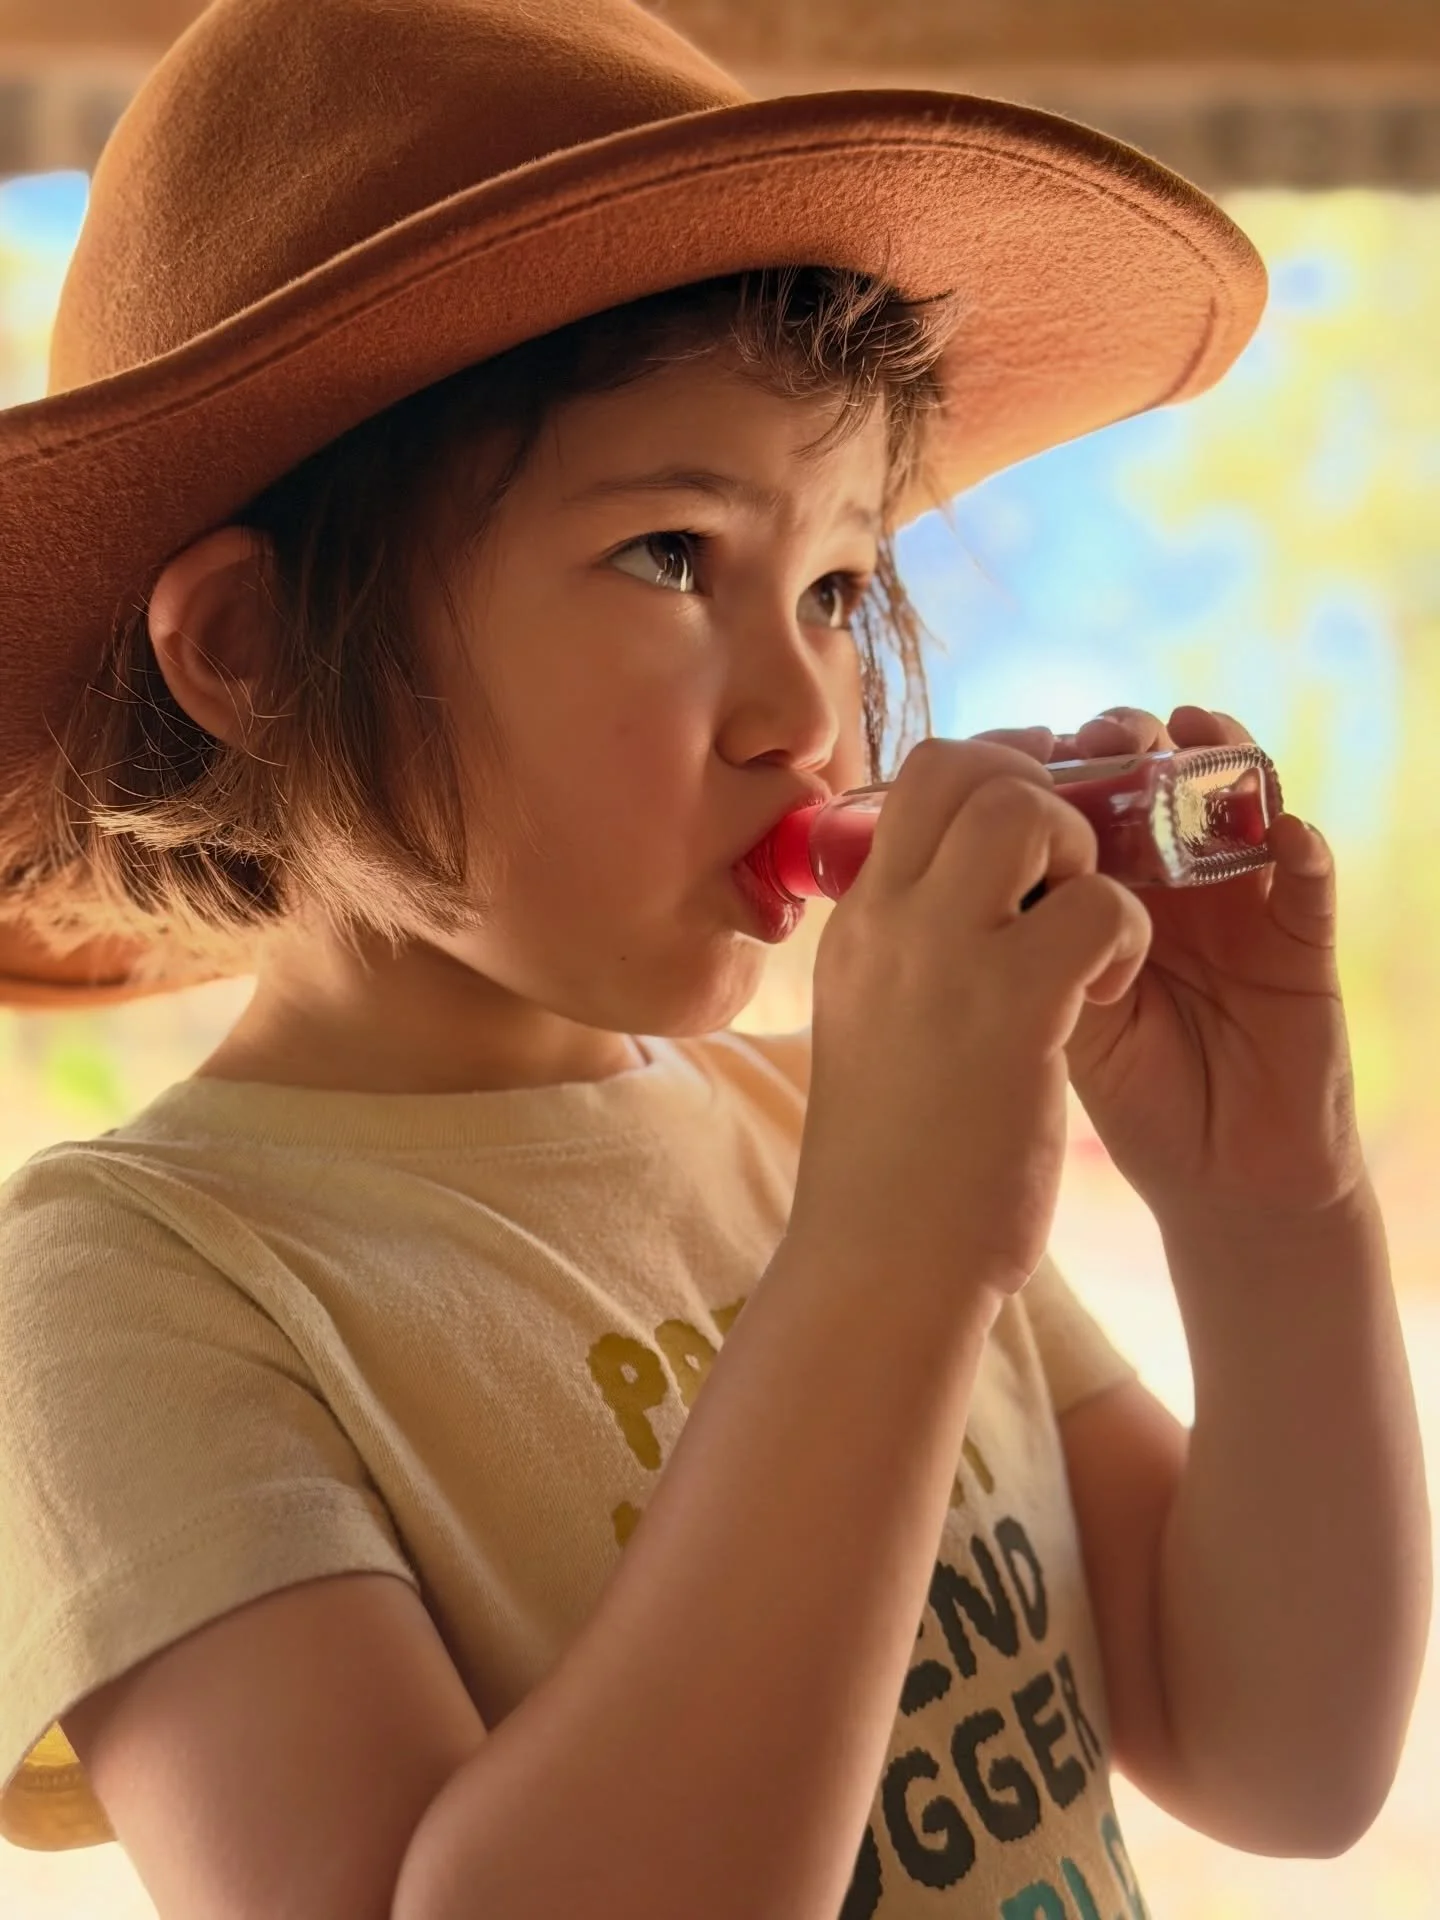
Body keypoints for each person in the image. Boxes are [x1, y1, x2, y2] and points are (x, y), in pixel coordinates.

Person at [0, 0, 1429, 1915]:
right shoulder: (133, 1288)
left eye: (837, 584)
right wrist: (891, 1251)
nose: (809, 716)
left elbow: (1286, 1756)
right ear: (253, 653)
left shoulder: (836, 1129)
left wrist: (1272, 1200)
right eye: (673, 554)